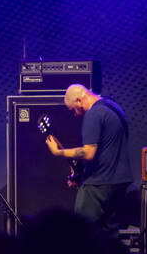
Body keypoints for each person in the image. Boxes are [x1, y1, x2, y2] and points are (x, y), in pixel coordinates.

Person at [45, 84, 132, 235]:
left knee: (82, 232)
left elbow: (88, 153)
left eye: (73, 109)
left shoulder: (93, 114)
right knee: (109, 234)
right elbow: (107, 148)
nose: (75, 114)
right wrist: (79, 174)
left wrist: (58, 152)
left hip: (98, 183)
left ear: (79, 100)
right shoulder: (112, 107)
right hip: (119, 181)